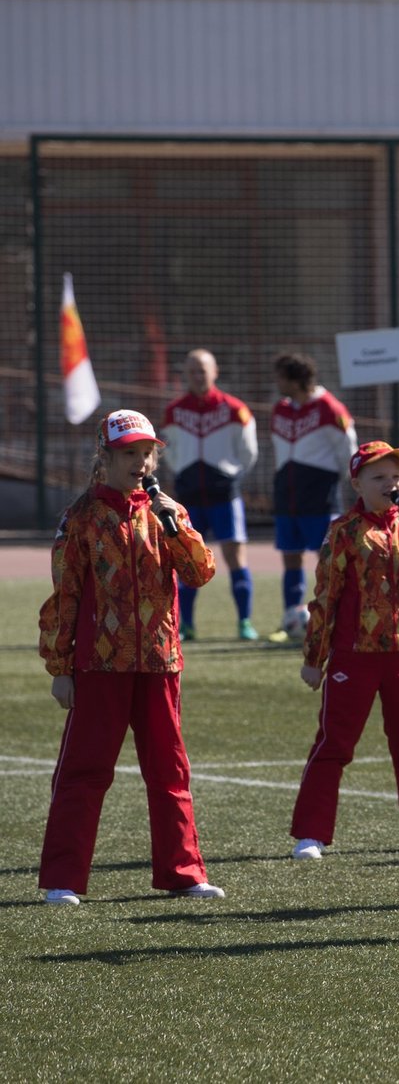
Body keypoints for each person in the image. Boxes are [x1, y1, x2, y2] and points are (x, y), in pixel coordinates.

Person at [38, 410, 224, 905]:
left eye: (147, 452)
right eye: (129, 454)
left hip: (161, 661)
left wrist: (175, 527)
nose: (140, 462)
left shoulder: (170, 512)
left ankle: (183, 872)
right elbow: (65, 596)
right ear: (105, 458)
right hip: (100, 666)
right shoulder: (80, 519)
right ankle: (63, 879)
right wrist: (61, 667)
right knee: (84, 771)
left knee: (170, 772)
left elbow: (202, 573)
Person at [291, 441, 399, 862]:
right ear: (357, 484)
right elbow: (325, 597)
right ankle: (311, 834)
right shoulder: (344, 531)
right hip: (354, 654)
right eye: (379, 477)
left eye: (396, 477)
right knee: (334, 743)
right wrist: (315, 659)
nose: (391, 484)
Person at [161, 348, 259, 641]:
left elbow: (249, 452)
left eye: (202, 370)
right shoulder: (174, 411)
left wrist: (229, 474)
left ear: (215, 372)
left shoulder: (235, 409)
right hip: (189, 497)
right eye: (192, 371)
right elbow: (169, 450)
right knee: (185, 561)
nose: (197, 376)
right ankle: (186, 625)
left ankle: (244, 623)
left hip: (224, 496)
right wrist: (182, 471)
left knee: (235, 557)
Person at [269, 352, 357, 643]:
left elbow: (347, 450)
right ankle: (290, 619)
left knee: (328, 561)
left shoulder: (330, 408)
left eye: (282, 376)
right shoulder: (280, 409)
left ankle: (332, 619)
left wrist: (334, 481)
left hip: (320, 497)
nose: (277, 382)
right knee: (290, 559)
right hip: (287, 496)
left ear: (296, 379)